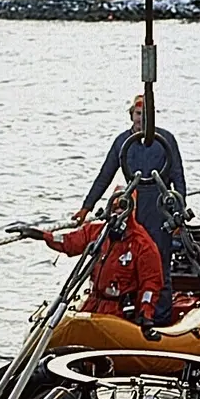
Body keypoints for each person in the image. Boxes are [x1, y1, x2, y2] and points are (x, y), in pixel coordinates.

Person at [72, 95, 187, 327]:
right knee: (128, 262)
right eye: (137, 114)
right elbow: (105, 175)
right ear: (131, 115)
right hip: (131, 211)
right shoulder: (121, 142)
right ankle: (131, 315)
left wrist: (178, 214)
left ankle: (160, 320)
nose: (141, 119)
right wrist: (87, 207)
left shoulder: (167, 140)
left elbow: (178, 178)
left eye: (146, 115)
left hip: (159, 211)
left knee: (159, 264)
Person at [15, 190, 163, 331]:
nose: (118, 212)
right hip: (93, 304)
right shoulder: (97, 233)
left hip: (119, 312)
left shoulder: (142, 244)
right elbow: (69, 242)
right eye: (115, 207)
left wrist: (145, 313)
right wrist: (41, 235)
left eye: (122, 208)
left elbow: (151, 283)